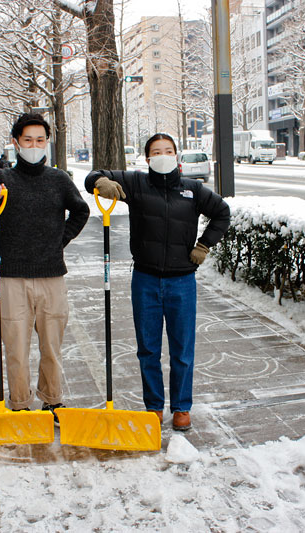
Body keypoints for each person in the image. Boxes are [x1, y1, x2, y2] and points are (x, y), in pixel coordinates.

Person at [84, 133, 230, 431]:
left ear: (177, 156)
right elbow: (92, 177)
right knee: (148, 348)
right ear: (147, 158)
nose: (162, 155)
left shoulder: (193, 190)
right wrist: (101, 182)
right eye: (155, 152)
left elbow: (222, 213)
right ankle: (153, 406)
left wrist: (203, 245)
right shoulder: (136, 183)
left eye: (168, 150)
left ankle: (181, 407)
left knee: (182, 348)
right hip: (146, 280)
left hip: (182, 282)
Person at [0, 113, 90, 424]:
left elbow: (81, 210)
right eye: (28, 140)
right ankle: (19, 403)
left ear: (47, 143)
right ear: (16, 142)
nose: (34, 145)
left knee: (52, 347)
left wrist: (59, 240)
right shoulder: (3, 178)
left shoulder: (58, 179)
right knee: (17, 347)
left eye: (40, 140)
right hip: (14, 278)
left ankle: (53, 401)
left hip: (52, 277)